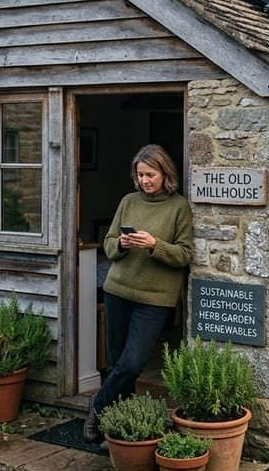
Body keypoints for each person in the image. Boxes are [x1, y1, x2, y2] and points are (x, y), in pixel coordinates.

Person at [83, 144, 194, 443]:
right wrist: (121, 244)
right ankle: (117, 433)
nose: (145, 180)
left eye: (150, 174)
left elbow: (184, 254)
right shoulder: (128, 201)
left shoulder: (179, 207)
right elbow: (108, 243)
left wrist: (154, 245)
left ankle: (97, 405)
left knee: (132, 364)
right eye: (140, 174)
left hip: (154, 299)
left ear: (165, 173)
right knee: (117, 365)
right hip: (118, 290)